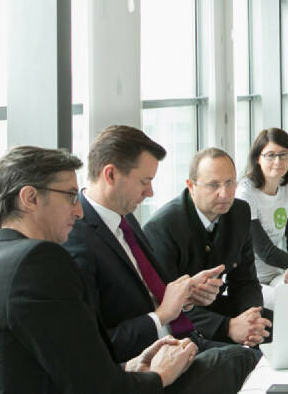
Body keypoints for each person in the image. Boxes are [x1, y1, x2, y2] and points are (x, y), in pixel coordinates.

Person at [0, 145, 252, 393]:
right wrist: (159, 376)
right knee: (240, 361)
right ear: (30, 198)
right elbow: (96, 388)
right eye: (70, 196)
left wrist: (130, 368)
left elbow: (74, 368)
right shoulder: (37, 261)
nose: (78, 210)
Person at [62, 125, 260, 388]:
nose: (150, 192)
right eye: (144, 181)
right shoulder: (76, 240)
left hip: (181, 342)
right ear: (110, 175)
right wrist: (162, 315)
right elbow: (98, 345)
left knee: (260, 359)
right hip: (148, 366)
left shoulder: (124, 219)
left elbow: (154, 292)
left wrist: (187, 296)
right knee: (245, 361)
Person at [144, 147, 271, 346]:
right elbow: (166, 306)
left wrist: (252, 318)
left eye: (230, 183)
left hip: (220, 308)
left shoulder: (240, 212)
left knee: (282, 326)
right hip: (182, 325)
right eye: (213, 185)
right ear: (191, 186)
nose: (224, 193)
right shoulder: (162, 227)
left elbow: (245, 280)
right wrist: (228, 327)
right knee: (241, 357)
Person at [236, 128, 288, 310]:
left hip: (275, 275)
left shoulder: (287, 190)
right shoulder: (245, 194)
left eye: (283, 154)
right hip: (248, 281)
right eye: (270, 155)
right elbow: (265, 251)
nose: (278, 161)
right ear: (257, 158)